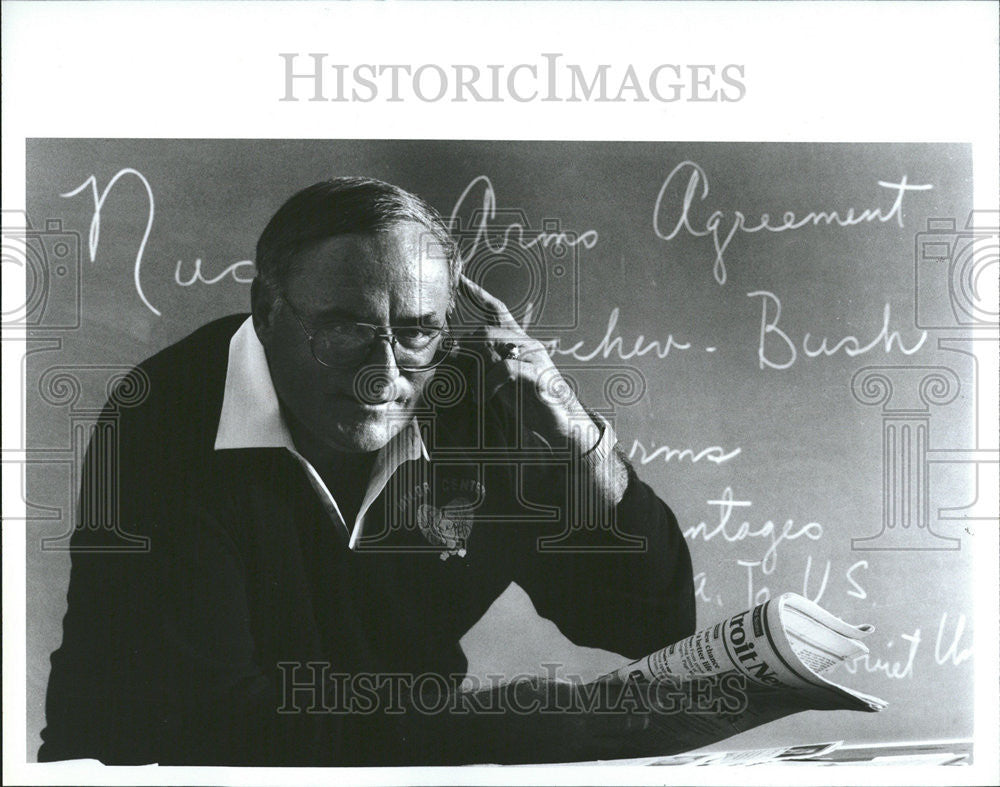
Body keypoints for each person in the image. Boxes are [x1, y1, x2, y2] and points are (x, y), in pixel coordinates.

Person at [38, 177, 695, 766]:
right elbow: (213, 722)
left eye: (416, 332)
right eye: (345, 329)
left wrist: (573, 429)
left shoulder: (477, 405)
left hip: (397, 766)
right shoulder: (163, 412)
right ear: (267, 315)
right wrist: (497, 726)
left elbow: (648, 621)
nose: (383, 372)